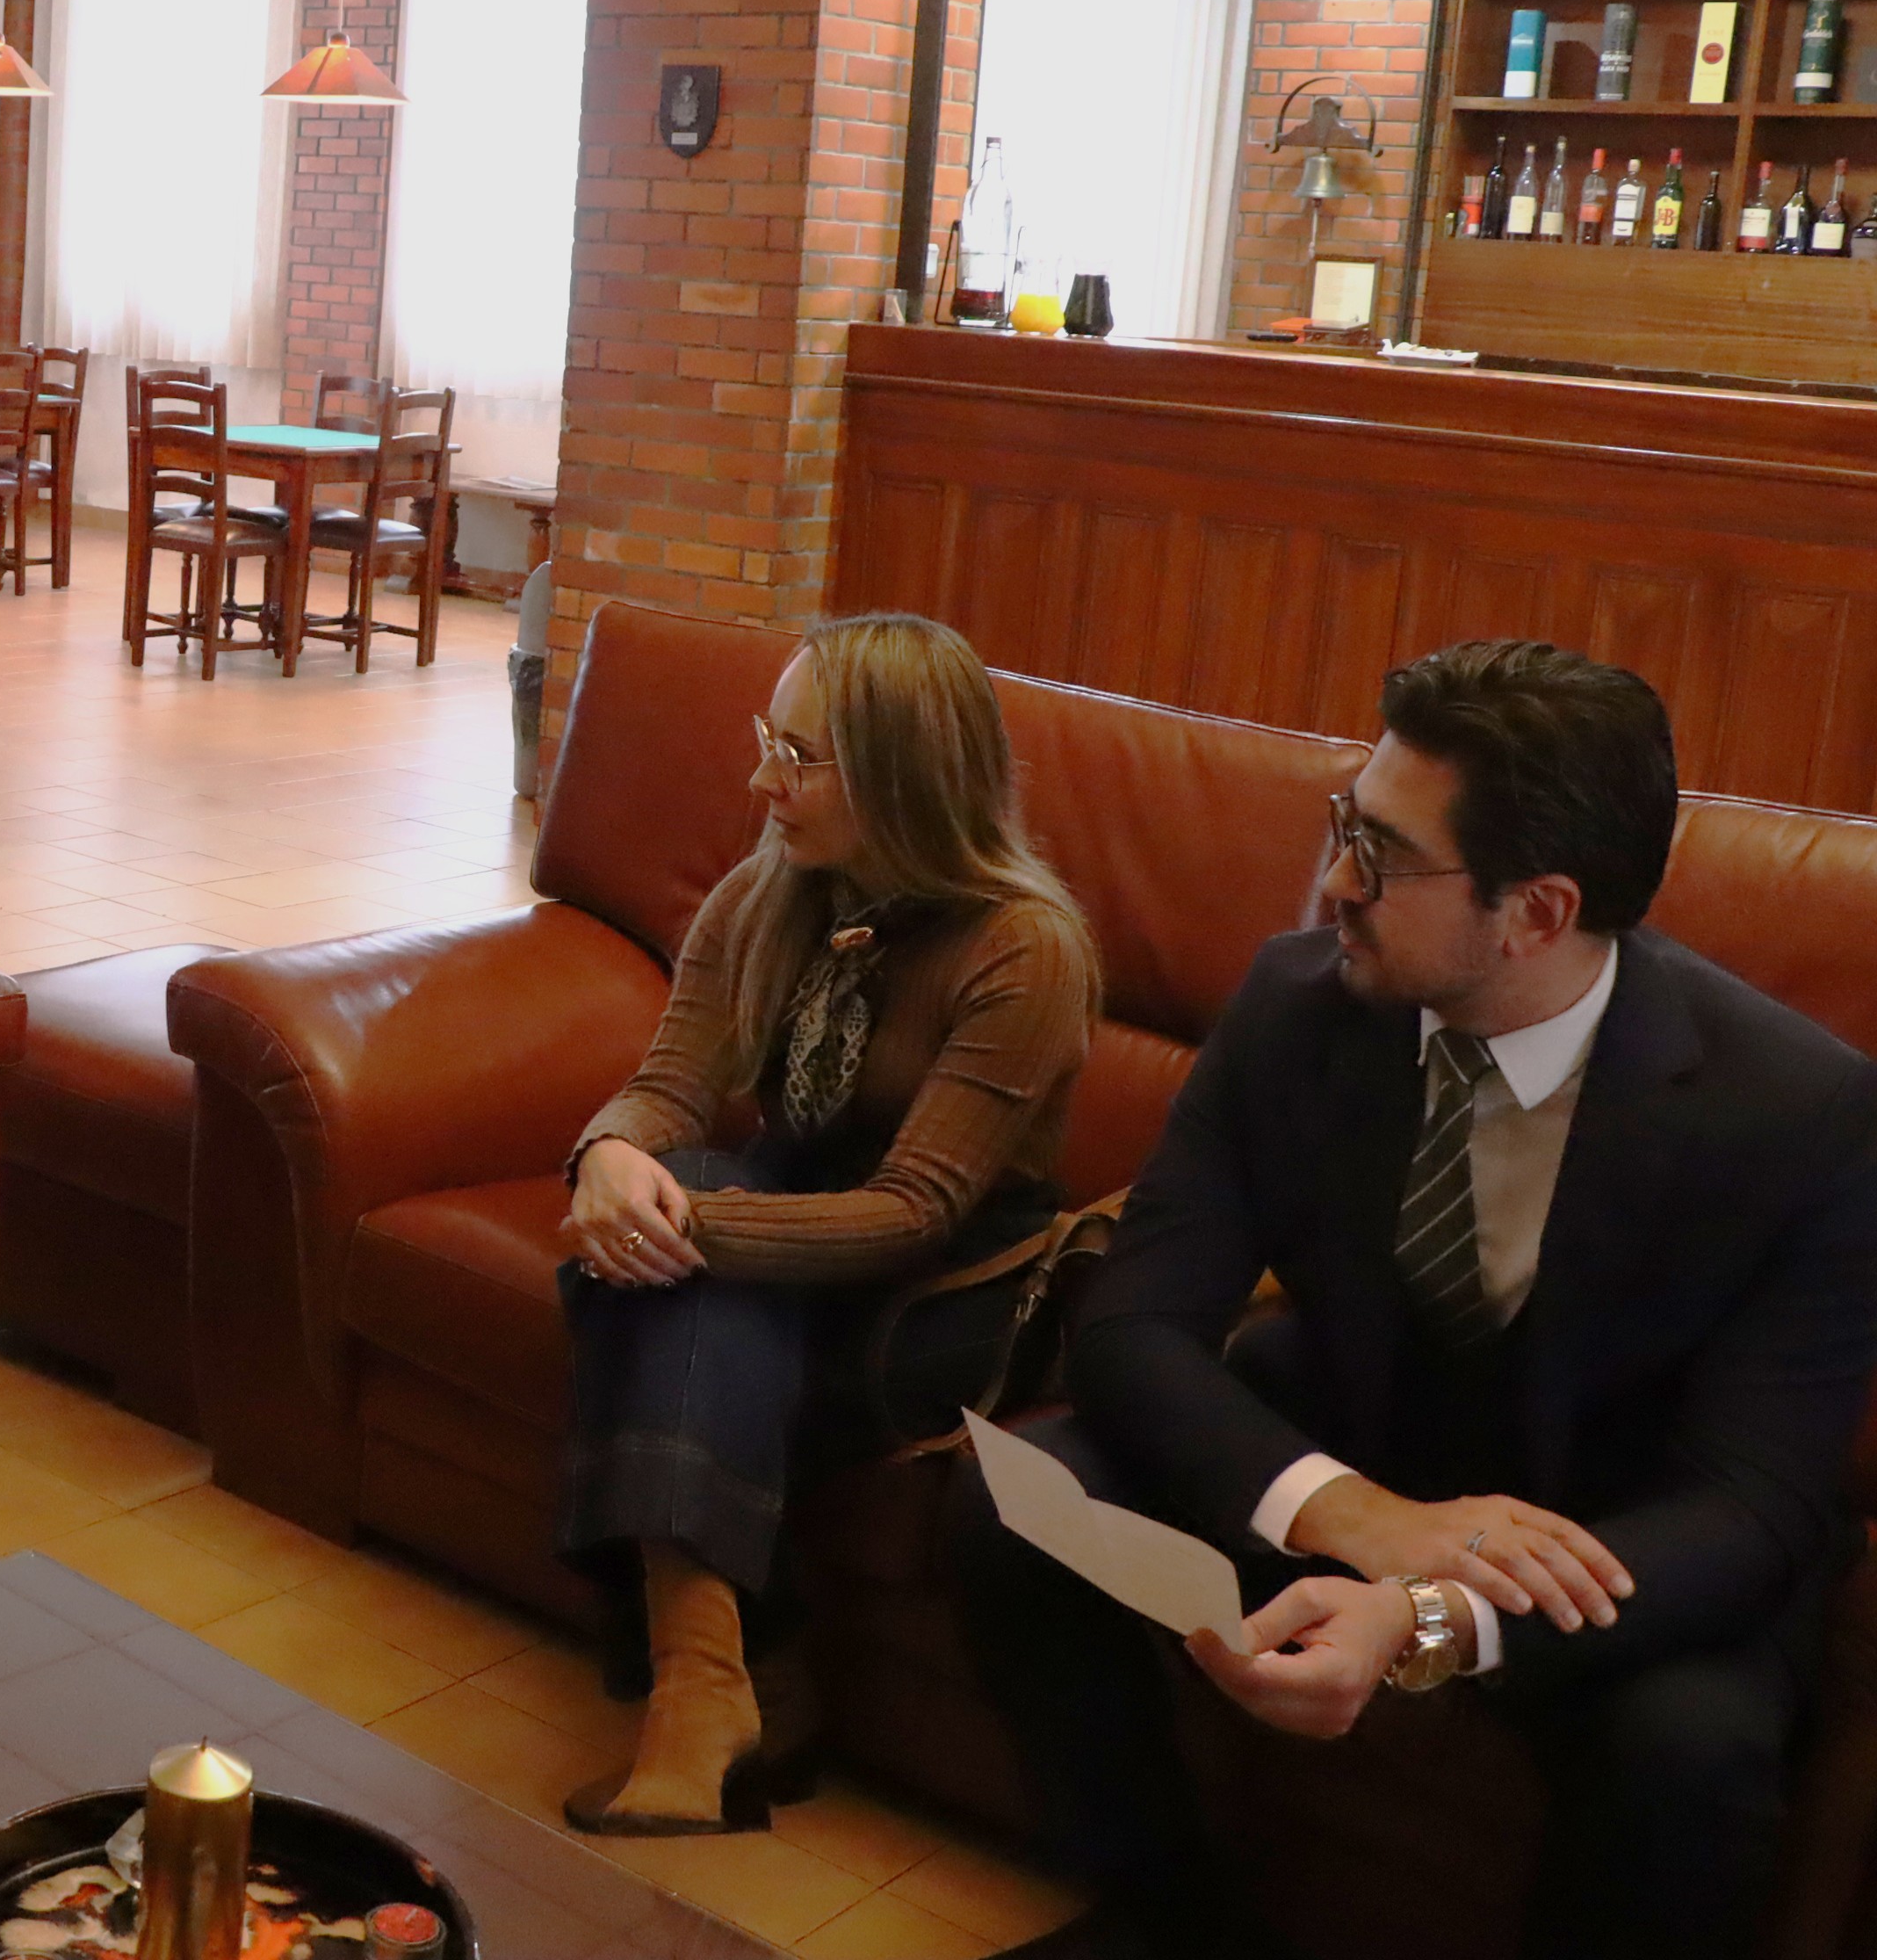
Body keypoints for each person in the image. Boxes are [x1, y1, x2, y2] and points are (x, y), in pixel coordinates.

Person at [948, 640, 1877, 1960]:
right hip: (1365, 1452)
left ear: (1537, 913)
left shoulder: (1802, 1115)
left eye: (1382, 855)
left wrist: (1434, 1614)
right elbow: (1135, 1327)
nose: (1336, 883)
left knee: (1690, 1748)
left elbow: (1756, 1504)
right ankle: (1166, 1917)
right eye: (1347, 824)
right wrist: (1361, 1520)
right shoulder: (1293, 1005)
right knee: (1019, 1501)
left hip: (1610, 1540)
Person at [554, 612, 1098, 1836]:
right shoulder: (772, 889)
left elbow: (914, 1213)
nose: (763, 781)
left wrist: (681, 1225)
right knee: (666, 1234)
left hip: (941, 1286)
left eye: (798, 758)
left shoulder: (1026, 948)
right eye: (769, 741)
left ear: (905, 776)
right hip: (782, 1225)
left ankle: (721, 1682)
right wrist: (609, 1156)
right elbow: (672, 1083)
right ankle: (718, 1688)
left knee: (658, 1273)